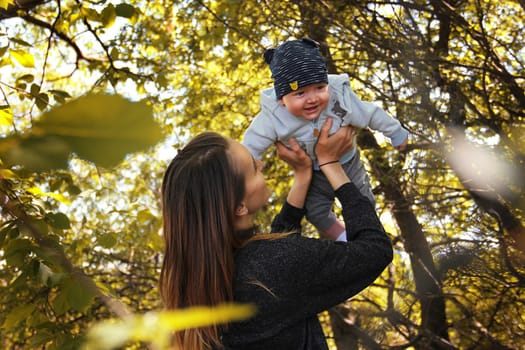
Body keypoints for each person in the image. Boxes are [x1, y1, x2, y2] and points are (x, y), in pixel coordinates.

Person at [159, 119, 393, 349]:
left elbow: (277, 267)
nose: (261, 165)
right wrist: (331, 164)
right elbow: (375, 250)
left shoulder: (203, 286)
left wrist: (302, 176)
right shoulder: (268, 268)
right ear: (239, 207)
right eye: (253, 167)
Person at [242, 38, 409, 241]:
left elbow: (371, 113)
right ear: (281, 99)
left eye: (319, 88)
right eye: (300, 93)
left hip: (348, 162)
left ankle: (367, 232)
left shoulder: (340, 98)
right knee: (315, 212)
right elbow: (252, 143)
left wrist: (395, 132)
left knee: (363, 200)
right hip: (314, 173)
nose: (312, 98)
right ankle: (343, 238)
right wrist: (242, 175)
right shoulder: (273, 117)